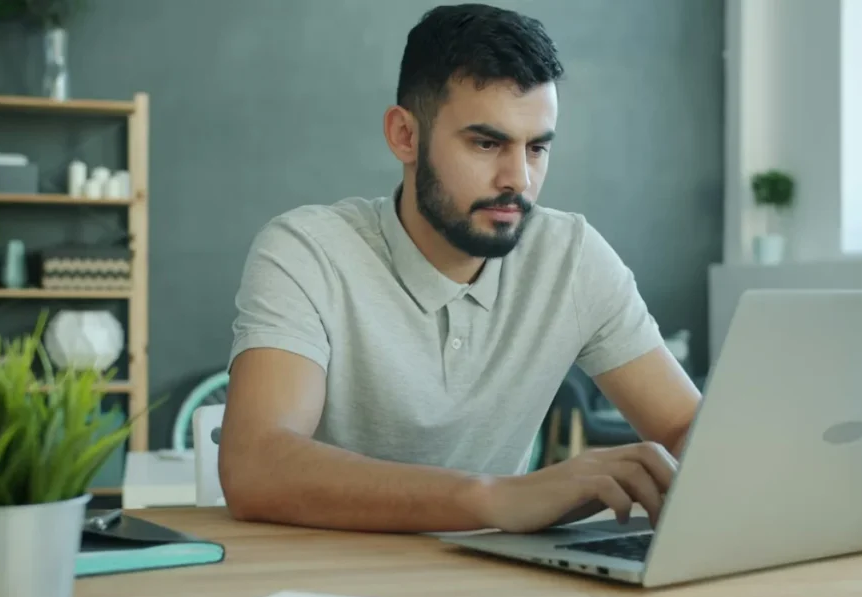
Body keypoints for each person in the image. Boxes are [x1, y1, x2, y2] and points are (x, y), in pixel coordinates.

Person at [218, 3, 701, 535]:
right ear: (405, 135)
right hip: (330, 594)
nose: (517, 179)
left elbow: (687, 429)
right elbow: (256, 465)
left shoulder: (572, 257)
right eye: (486, 143)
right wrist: (494, 498)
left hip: (493, 587)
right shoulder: (306, 252)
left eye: (537, 148)